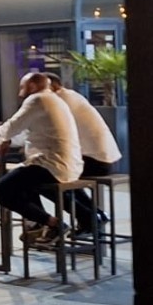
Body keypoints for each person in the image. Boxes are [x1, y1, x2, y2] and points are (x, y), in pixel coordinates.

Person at [0, 72, 84, 246]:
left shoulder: (36, 100)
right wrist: (6, 137)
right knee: (21, 181)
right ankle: (42, 224)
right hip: (68, 164)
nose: (20, 92)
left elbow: (9, 129)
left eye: (21, 87)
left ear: (31, 86)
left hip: (51, 165)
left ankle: (52, 224)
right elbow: (23, 134)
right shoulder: (54, 100)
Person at [46, 72, 119, 233]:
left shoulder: (59, 102)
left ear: (54, 86)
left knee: (46, 177)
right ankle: (96, 214)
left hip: (95, 161)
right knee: (59, 173)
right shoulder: (72, 96)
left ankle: (86, 217)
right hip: (104, 159)